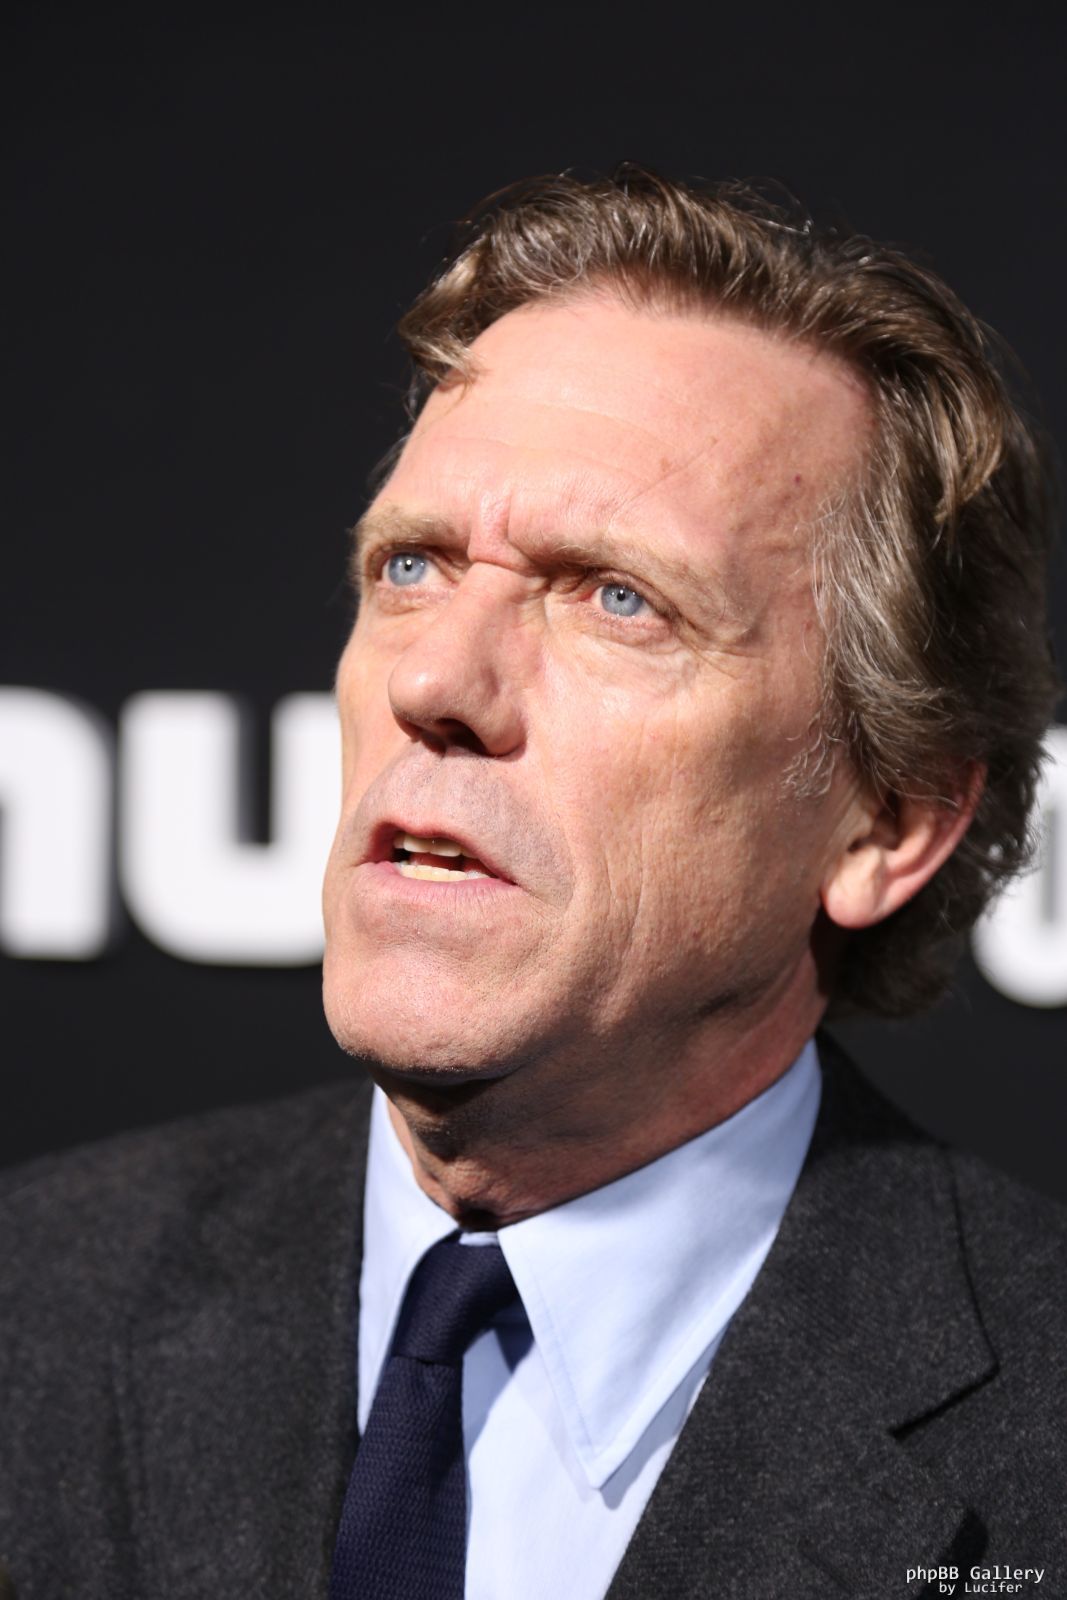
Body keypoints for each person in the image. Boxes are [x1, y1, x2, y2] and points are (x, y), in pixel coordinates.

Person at [1, 167, 1064, 1600]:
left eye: (619, 597)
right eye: (413, 567)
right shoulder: (32, 1302)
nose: (437, 681)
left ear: (888, 822)